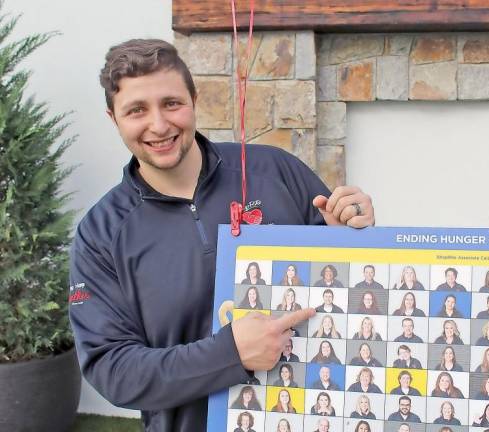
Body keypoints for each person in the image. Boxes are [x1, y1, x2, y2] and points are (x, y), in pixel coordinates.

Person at [69, 39, 376, 431]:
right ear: (113, 118)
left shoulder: (275, 171)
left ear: (194, 98)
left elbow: (355, 291)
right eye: (137, 111)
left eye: (172, 103)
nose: (159, 125)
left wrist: (351, 236)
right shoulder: (101, 234)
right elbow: (114, 369)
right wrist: (230, 353)